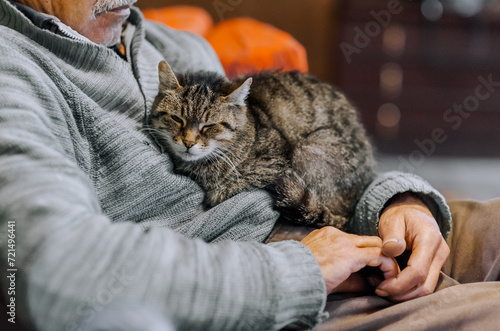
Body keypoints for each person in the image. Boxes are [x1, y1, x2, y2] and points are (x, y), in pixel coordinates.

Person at [0, 0, 498, 330]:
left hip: (343, 229)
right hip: (273, 290)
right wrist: (300, 271)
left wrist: (395, 200)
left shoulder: (175, 47)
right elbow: (47, 267)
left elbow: (281, 151)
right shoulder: (13, 68)